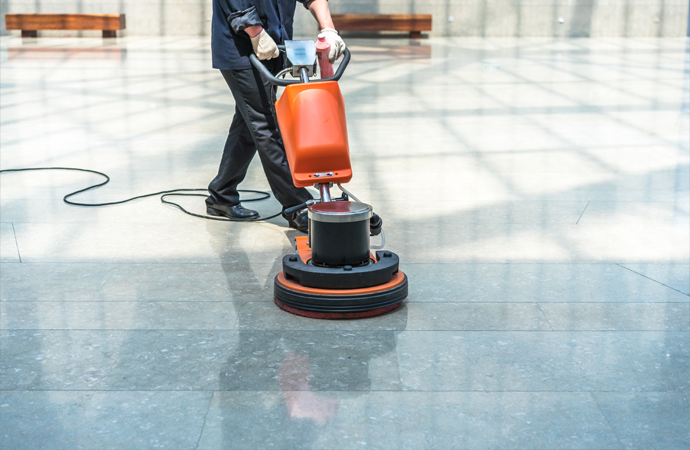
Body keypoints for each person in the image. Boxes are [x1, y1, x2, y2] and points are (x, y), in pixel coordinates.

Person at [207, 0, 346, 232]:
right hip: (242, 47)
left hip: (273, 44)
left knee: (249, 121)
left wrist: (328, 28)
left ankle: (221, 194)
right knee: (265, 123)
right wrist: (256, 32)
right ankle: (297, 204)